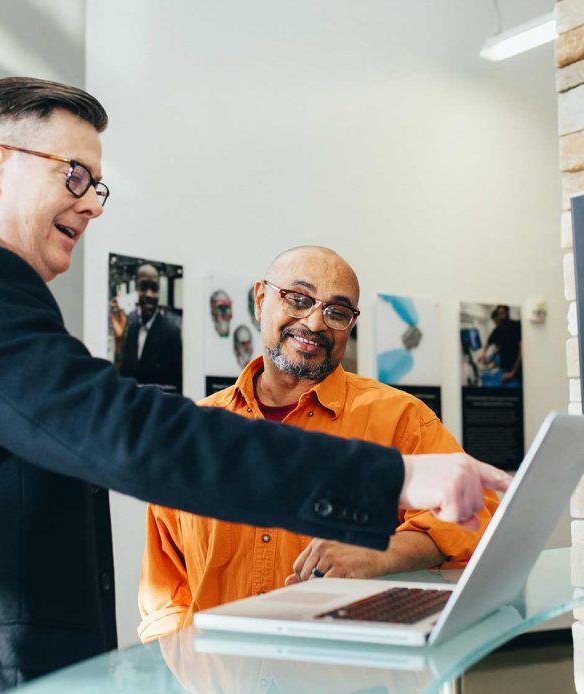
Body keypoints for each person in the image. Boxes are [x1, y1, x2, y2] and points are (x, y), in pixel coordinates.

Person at [0, 77, 511, 694]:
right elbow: (127, 433)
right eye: (73, 175)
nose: (92, 204)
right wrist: (392, 478)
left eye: (96, 184)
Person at [138, 247, 499, 642]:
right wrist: (185, 670)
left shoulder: (401, 419)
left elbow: (479, 517)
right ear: (261, 300)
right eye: (298, 298)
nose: (314, 322)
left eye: (337, 312)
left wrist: (382, 552)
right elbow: (165, 592)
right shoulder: (196, 432)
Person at [110, 263, 183, 392]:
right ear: (136, 290)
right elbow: (123, 377)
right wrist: (119, 340)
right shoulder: (132, 329)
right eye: (143, 287)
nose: (149, 294)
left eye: (154, 288)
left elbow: (177, 387)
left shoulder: (171, 333)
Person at [479, 304, 522, 386]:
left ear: (507, 313)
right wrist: (483, 354)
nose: (501, 317)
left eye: (503, 313)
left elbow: (522, 350)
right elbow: (489, 341)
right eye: (499, 314)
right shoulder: (498, 330)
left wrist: (513, 372)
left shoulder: (516, 325)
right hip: (504, 368)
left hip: (516, 369)